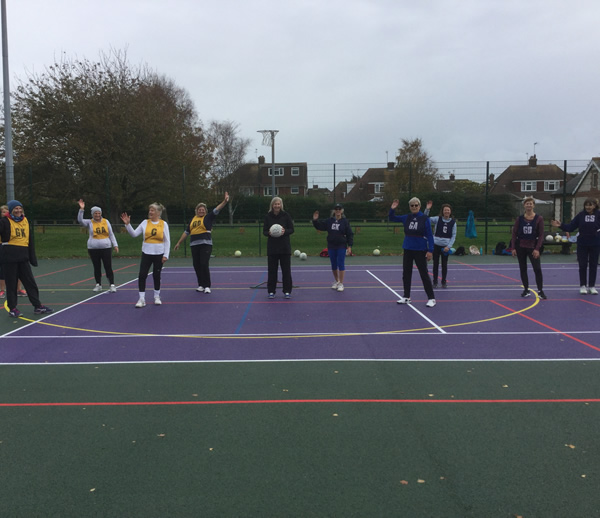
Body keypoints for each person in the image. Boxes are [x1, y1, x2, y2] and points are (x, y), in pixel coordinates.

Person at [0, 200, 53, 317]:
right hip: (9, 258)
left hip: (23, 257)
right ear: (11, 210)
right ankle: (13, 308)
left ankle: (38, 306)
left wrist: (31, 257)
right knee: (12, 284)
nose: (18, 211)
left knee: (30, 283)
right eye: (15, 209)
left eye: (20, 208)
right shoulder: (4, 221)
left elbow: (29, 240)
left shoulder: (25, 221)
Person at [174, 192, 229, 294]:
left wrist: (225, 201)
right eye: (199, 209)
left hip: (205, 244)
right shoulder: (192, 220)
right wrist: (179, 243)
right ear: (196, 211)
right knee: (197, 265)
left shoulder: (208, 217)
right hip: (194, 245)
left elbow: (217, 209)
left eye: (203, 209)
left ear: (205, 211)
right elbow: (186, 232)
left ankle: (207, 286)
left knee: (204, 264)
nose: (201, 210)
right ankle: (201, 285)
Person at [121, 203, 171, 307]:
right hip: (146, 253)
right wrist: (127, 224)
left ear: (158, 212)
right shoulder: (145, 222)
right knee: (142, 275)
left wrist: (166, 255)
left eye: (152, 210)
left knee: (157, 275)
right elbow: (134, 234)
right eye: (150, 210)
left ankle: (157, 296)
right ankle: (141, 299)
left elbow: (167, 241)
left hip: (159, 253)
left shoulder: (163, 224)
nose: (150, 212)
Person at [389, 197, 436, 307]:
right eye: (412, 205)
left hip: (420, 249)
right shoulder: (407, 217)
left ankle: (431, 298)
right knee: (406, 273)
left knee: (423, 274)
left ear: (419, 206)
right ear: (410, 207)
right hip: (408, 248)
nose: (414, 207)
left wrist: (430, 250)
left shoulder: (424, 218)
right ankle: (406, 297)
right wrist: (392, 208)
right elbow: (392, 218)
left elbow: (429, 235)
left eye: (416, 205)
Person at [552, 198, 600, 295]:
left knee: (593, 265)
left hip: (595, 244)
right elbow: (571, 227)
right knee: (582, 265)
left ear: (594, 206)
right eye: (586, 205)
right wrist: (561, 225)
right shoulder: (580, 215)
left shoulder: (599, 215)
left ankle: (592, 286)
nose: (588, 207)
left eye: (590, 205)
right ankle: (583, 286)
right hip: (582, 244)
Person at [77, 199, 119, 292]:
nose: (97, 215)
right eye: (95, 213)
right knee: (97, 267)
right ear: (92, 214)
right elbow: (80, 220)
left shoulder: (106, 221)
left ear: (101, 214)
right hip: (93, 248)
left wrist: (115, 245)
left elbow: (111, 234)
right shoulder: (89, 222)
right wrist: (81, 209)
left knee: (108, 266)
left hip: (106, 248)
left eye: (98, 213)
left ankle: (112, 284)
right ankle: (98, 284)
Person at [510, 197, 546, 299]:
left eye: (530, 204)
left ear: (533, 205)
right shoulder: (519, 219)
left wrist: (537, 249)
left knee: (537, 269)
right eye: (527, 204)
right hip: (521, 246)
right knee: (523, 268)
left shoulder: (539, 219)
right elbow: (514, 234)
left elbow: (541, 234)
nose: (529, 205)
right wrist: (513, 247)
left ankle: (540, 290)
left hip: (533, 247)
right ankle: (526, 289)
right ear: (524, 206)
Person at [312, 203, 354, 292]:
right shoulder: (329, 221)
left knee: (341, 263)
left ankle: (341, 283)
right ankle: (337, 280)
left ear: (342, 210)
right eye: (336, 209)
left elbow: (350, 234)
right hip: (331, 245)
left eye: (339, 209)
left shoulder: (345, 221)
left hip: (341, 246)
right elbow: (320, 226)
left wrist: (349, 246)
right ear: (334, 211)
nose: (338, 210)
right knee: (333, 264)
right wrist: (315, 220)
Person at [263, 197, 294, 299]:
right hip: (272, 248)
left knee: (286, 271)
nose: (277, 206)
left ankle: (287, 291)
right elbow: (264, 232)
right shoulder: (268, 216)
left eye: (278, 204)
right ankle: (271, 291)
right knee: (272, 271)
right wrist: (269, 233)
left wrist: (285, 231)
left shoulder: (286, 216)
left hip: (284, 248)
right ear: (272, 205)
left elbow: (292, 229)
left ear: (281, 205)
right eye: (275, 204)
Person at [424, 201, 457, 288]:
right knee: (435, 264)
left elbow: (453, 236)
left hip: (445, 247)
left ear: (450, 211)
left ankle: (443, 281)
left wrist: (448, 246)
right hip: (436, 245)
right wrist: (427, 209)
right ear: (442, 211)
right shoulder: (437, 219)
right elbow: (425, 218)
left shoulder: (453, 223)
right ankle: (435, 282)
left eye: (448, 210)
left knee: (444, 264)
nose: (446, 212)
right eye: (445, 210)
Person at [0, 205, 27, 298]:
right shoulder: (2, 223)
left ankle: (18, 289)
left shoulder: (18, 222)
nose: (5, 213)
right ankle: (2, 290)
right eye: (3, 212)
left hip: (15, 249)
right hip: (4, 248)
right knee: (2, 271)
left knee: (19, 270)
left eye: (6, 212)